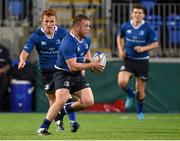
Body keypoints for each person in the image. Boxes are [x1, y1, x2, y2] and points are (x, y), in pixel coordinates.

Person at [37, 14, 104, 135]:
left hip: (77, 75)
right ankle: (43, 128)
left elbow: (86, 53)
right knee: (61, 99)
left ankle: (62, 112)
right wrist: (92, 65)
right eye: (86, 26)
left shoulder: (87, 39)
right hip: (62, 74)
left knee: (89, 101)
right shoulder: (67, 42)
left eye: (89, 26)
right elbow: (72, 66)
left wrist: (90, 62)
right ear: (77, 27)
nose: (89, 28)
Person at [18, 8, 78, 132]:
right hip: (45, 72)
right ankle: (59, 122)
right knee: (52, 99)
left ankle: (73, 122)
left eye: (51, 21)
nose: (49, 24)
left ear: (55, 21)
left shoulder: (62, 33)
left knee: (66, 96)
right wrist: (22, 60)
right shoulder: (36, 35)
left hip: (61, 69)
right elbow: (25, 51)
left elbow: (73, 45)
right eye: (46, 21)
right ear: (42, 22)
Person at [116, 4, 158, 120]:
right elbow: (120, 36)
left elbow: (155, 44)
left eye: (140, 13)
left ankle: (140, 113)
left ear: (143, 15)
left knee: (140, 90)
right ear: (132, 14)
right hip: (128, 60)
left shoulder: (148, 28)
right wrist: (121, 50)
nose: (137, 15)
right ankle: (130, 95)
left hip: (142, 62)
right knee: (122, 82)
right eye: (135, 12)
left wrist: (143, 49)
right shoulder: (126, 25)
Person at [0, 44, 11, 112]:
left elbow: (9, 64)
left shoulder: (4, 50)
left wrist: (1, 70)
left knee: (1, 93)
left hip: (2, 75)